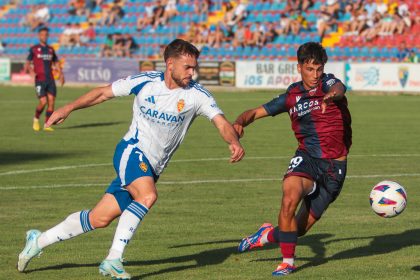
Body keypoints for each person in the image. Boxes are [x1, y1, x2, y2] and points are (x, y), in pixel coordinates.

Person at [17, 39, 245, 279]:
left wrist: (233, 141)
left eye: (194, 67)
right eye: (187, 67)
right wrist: (68, 108)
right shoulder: (144, 82)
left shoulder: (197, 95)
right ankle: (113, 259)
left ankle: (38, 240)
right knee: (148, 196)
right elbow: (103, 93)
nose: (192, 72)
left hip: (151, 167)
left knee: (99, 218)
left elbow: (220, 121)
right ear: (170, 64)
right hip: (131, 150)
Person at [233, 42, 351, 276]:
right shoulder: (291, 96)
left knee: (298, 229)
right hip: (307, 158)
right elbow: (255, 112)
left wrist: (331, 96)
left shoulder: (328, 83)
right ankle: (287, 261)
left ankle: (265, 235)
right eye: (309, 69)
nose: (315, 75)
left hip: (335, 168)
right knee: (290, 195)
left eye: (319, 69)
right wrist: (239, 122)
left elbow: (340, 87)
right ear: (299, 67)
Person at [24, 27, 65, 132]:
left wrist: (61, 74)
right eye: (42, 34)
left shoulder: (51, 49)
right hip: (39, 79)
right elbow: (27, 63)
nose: (44, 36)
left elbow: (56, 62)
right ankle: (36, 119)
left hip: (50, 79)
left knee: (51, 102)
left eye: (46, 35)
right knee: (43, 101)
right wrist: (31, 71)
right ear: (39, 36)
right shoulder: (34, 49)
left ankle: (47, 124)